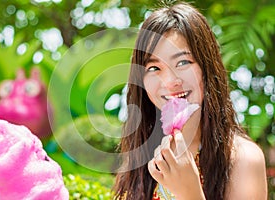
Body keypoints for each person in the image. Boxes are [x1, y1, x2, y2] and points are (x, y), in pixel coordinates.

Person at [113, 1, 267, 200]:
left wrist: (190, 193)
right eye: (154, 68)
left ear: (207, 68)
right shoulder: (143, 154)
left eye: (183, 62)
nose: (170, 82)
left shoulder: (243, 158)